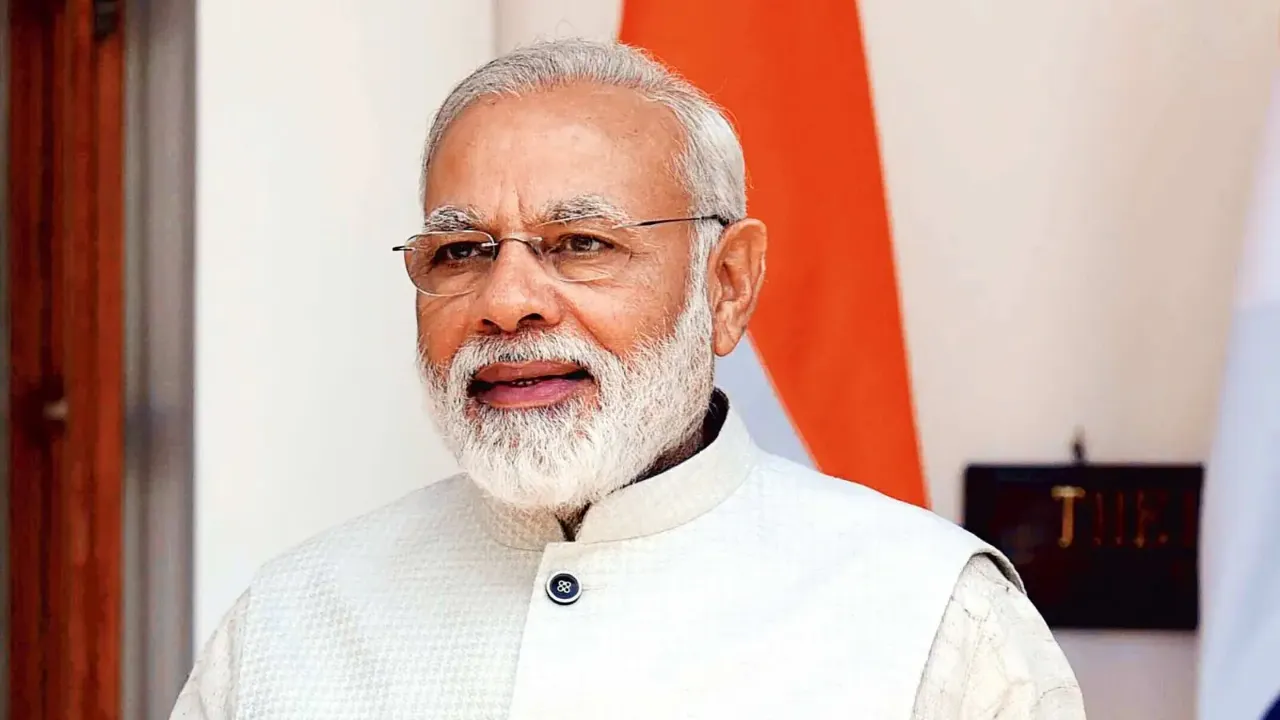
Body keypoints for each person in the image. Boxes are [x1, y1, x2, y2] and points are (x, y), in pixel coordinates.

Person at [171, 38, 1085, 720]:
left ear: (727, 285)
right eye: (461, 251)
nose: (507, 303)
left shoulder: (932, 619)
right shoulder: (290, 622)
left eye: (581, 244)